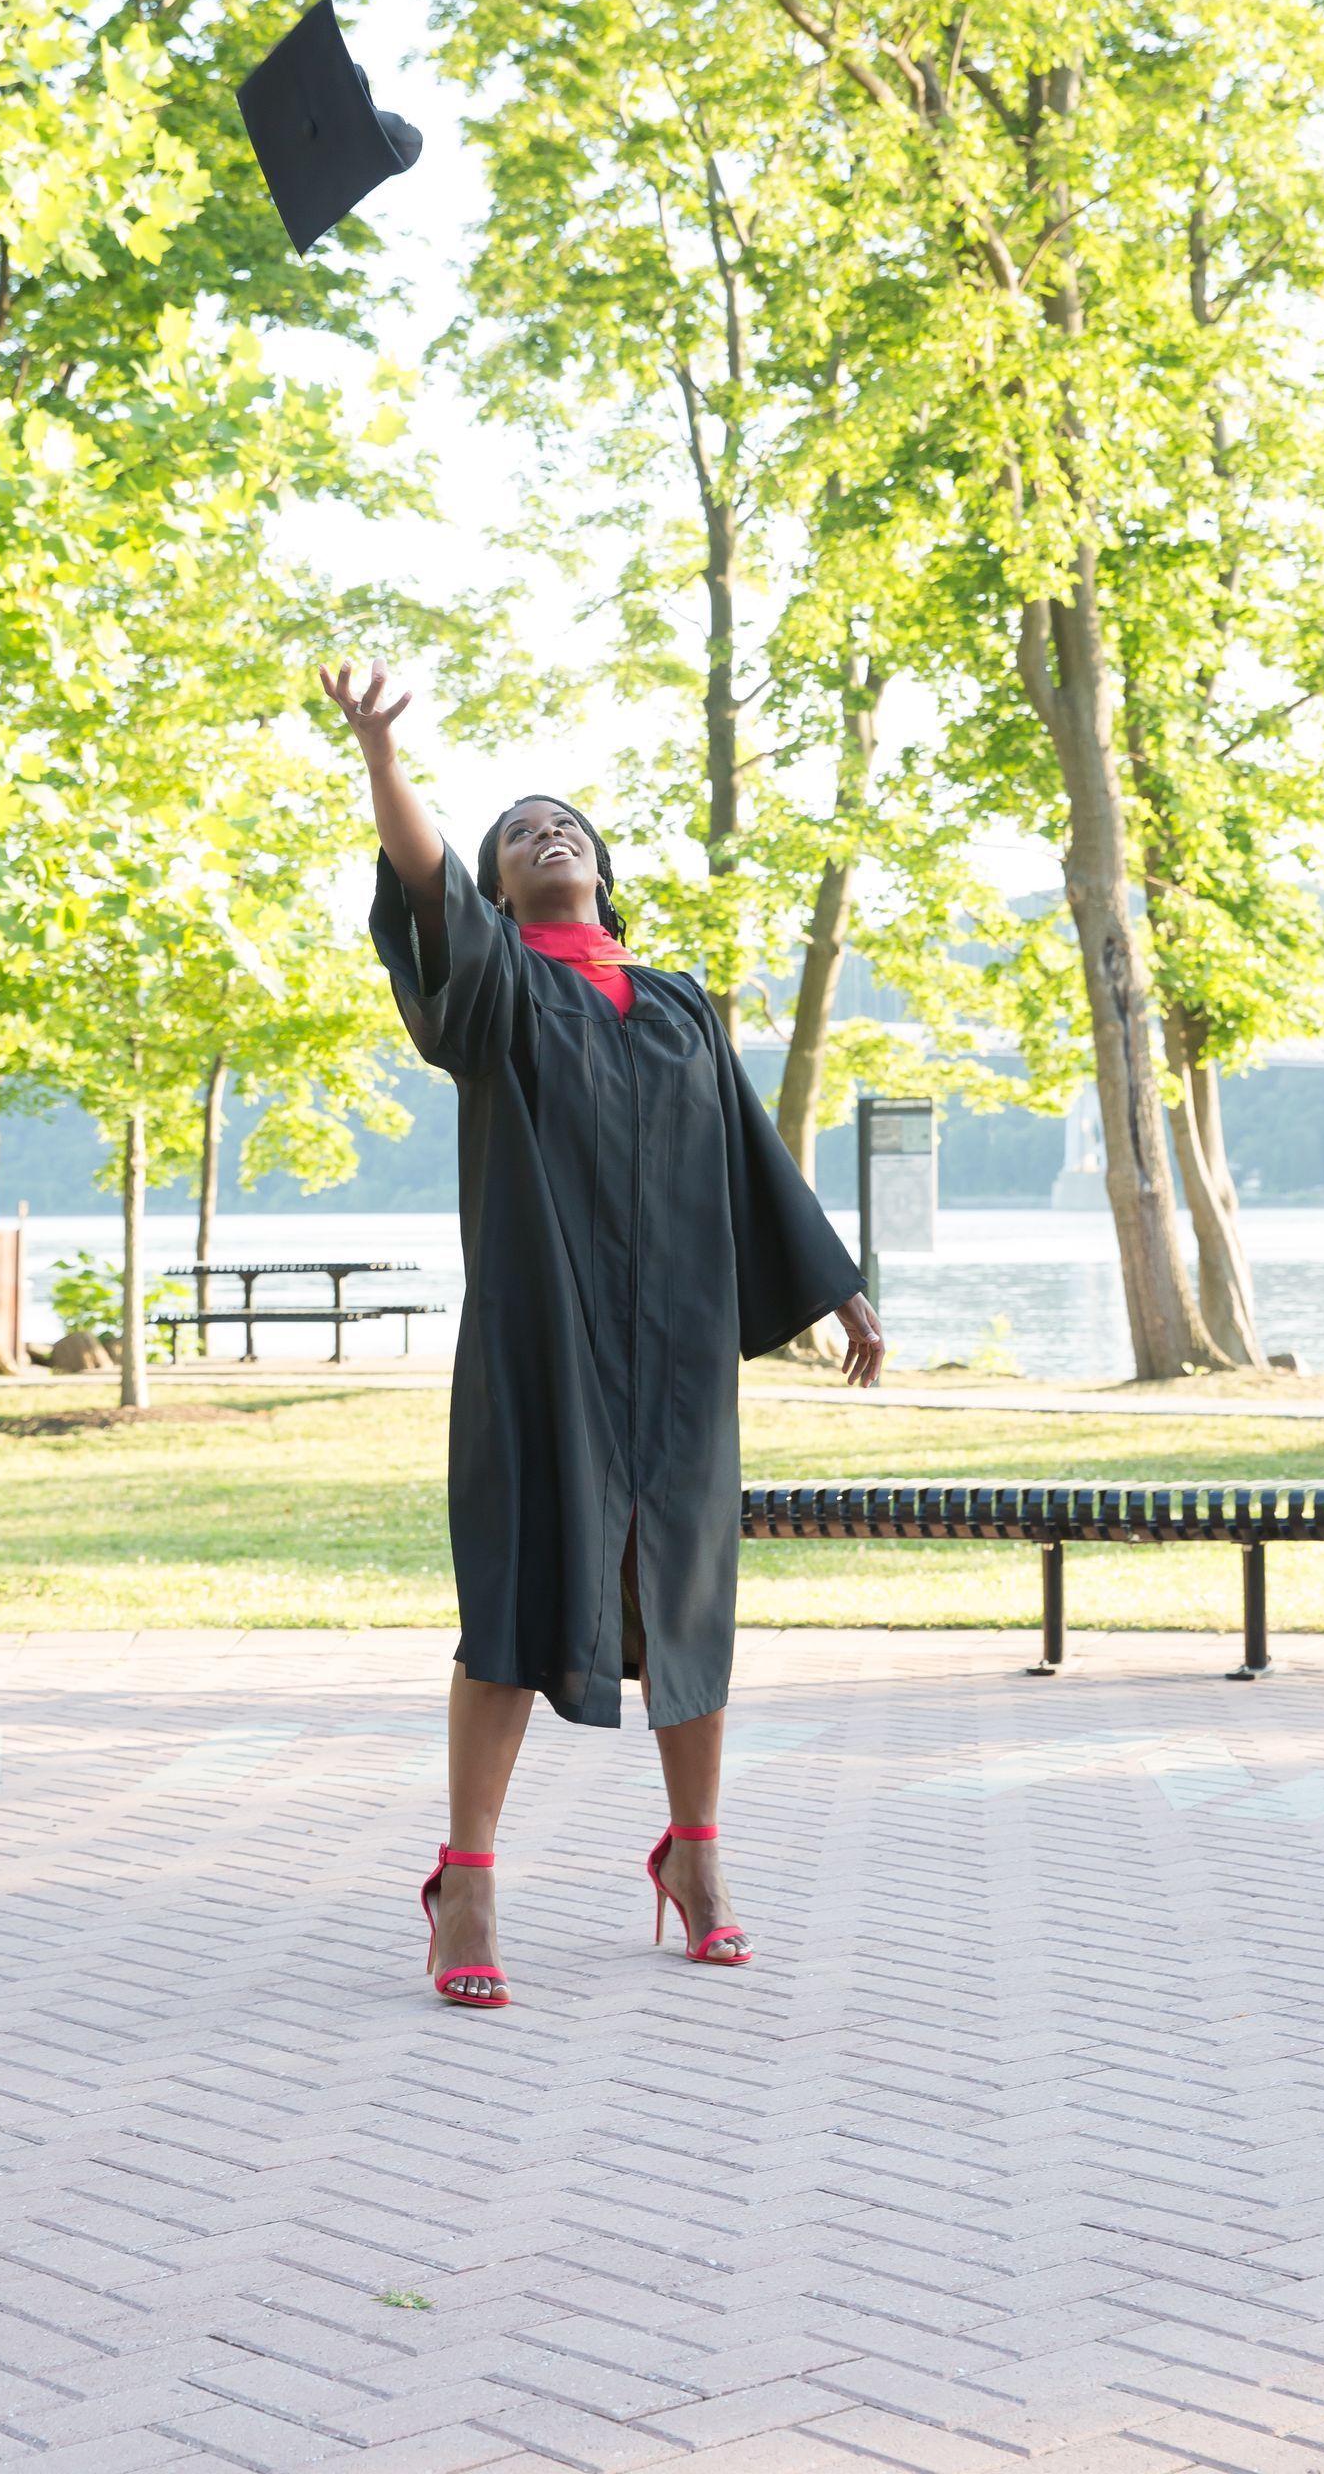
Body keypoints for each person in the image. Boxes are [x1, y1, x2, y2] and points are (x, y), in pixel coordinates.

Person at [322, 657, 886, 2008]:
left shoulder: (680, 1000)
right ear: (500, 891)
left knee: (688, 1604)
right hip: (546, 1342)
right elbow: (425, 885)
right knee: (517, 1597)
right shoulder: (500, 990)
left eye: (566, 823)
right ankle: (466, 1881)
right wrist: (386, 761)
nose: (546, 834)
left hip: (682, 1349)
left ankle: (696, 1861)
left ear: (602, 869)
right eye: (519, 834)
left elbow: (752, 1156)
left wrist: (838, 1285)